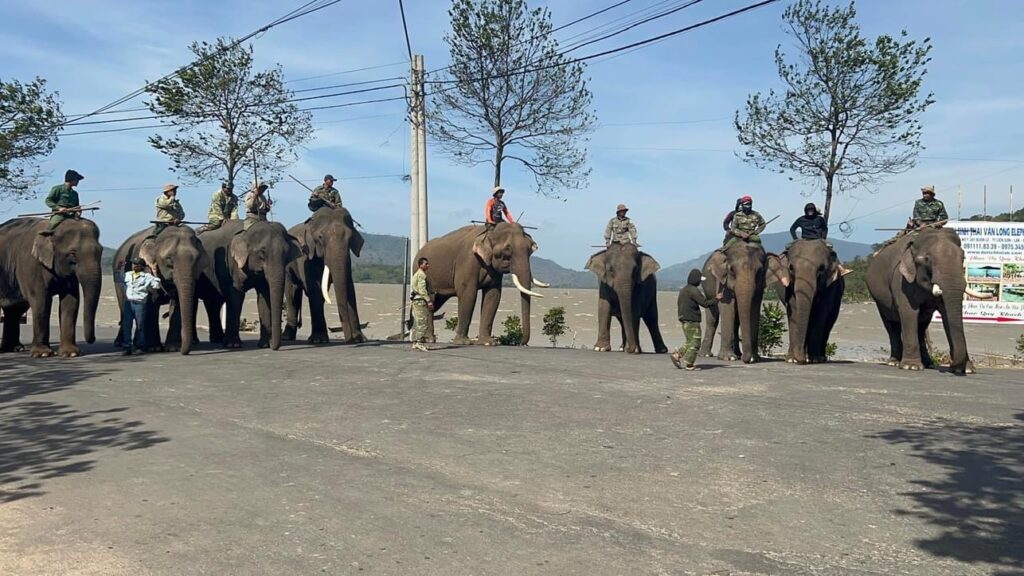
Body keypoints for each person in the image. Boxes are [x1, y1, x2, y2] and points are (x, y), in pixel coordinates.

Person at [671, 269, 722, 371]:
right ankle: (689, 364)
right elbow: (705, 303)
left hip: (684, 320)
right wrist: (716, 299)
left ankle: (677, 355)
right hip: (692, 321)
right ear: (696, 280)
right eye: (699, 280)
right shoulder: (694, 291)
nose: (700, 283)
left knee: (690, 341)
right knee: (696, 343)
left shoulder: (683, 290)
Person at [119, 257, 161, 355]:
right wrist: (119, 268)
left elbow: (157, 285)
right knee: (126, 325)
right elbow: (119, 279)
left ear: (141, 266)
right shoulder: (128, 274)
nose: (134, 266)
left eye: (137, 264)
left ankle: (139, 346)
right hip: (129, 303)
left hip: (140, 304)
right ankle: (127, 347)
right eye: (133, 264)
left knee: (140, 326)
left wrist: (155, 273)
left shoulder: (147, 276)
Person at [40, 170, 85, 235]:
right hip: (60, 214)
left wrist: (78, 211)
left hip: (72, 215)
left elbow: (77, 206)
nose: (78, 181)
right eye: (77, 180)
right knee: (54, 223)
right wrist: (59, 208)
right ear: (71, 179)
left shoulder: (75, 194)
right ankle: (46, 235)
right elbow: (48, 200)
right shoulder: (57, 189)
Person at [410, 257, 435, 351]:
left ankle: (415, 342)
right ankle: (419, 342)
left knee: (416, 322)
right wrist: (428, 300)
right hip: (420, 300)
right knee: (422, 321)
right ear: (421, 265)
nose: (428, 265)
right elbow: (422, 289)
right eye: (426, 264)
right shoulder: (421, 275)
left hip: (416, 300)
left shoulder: (417, 274)